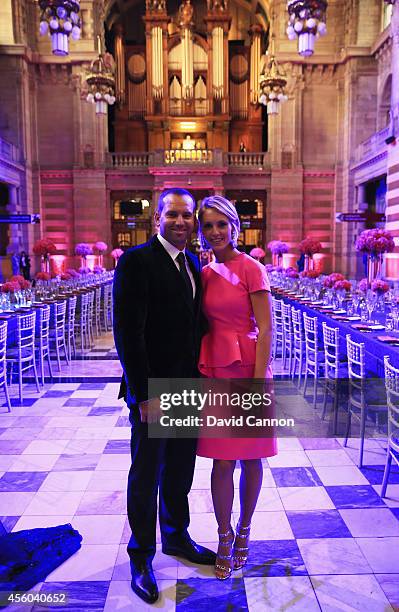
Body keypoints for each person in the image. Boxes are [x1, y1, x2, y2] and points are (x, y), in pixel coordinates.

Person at [113, 188, 216, 605]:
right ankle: (141, 557)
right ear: (158, 217)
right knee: (146, 475)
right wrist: (142, 394)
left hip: (187, 385)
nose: (180, 222)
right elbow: (128, 333)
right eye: (172, 214)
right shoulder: (137, 262)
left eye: (187, 216)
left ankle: (176, 537)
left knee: (179, 470)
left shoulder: (192, 263)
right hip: (153, 389)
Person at [197, 195, 277, 580]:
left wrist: (258, 384)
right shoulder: (205, 271)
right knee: (220, 459)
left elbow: (266, 331)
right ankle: (223, 535)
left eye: (220, 224)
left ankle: (245, 530)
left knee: (250, 457)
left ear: (233, 226)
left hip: (247, 370)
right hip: (215, 371)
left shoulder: (253, 270)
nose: (215, 232)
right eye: (208, 225)